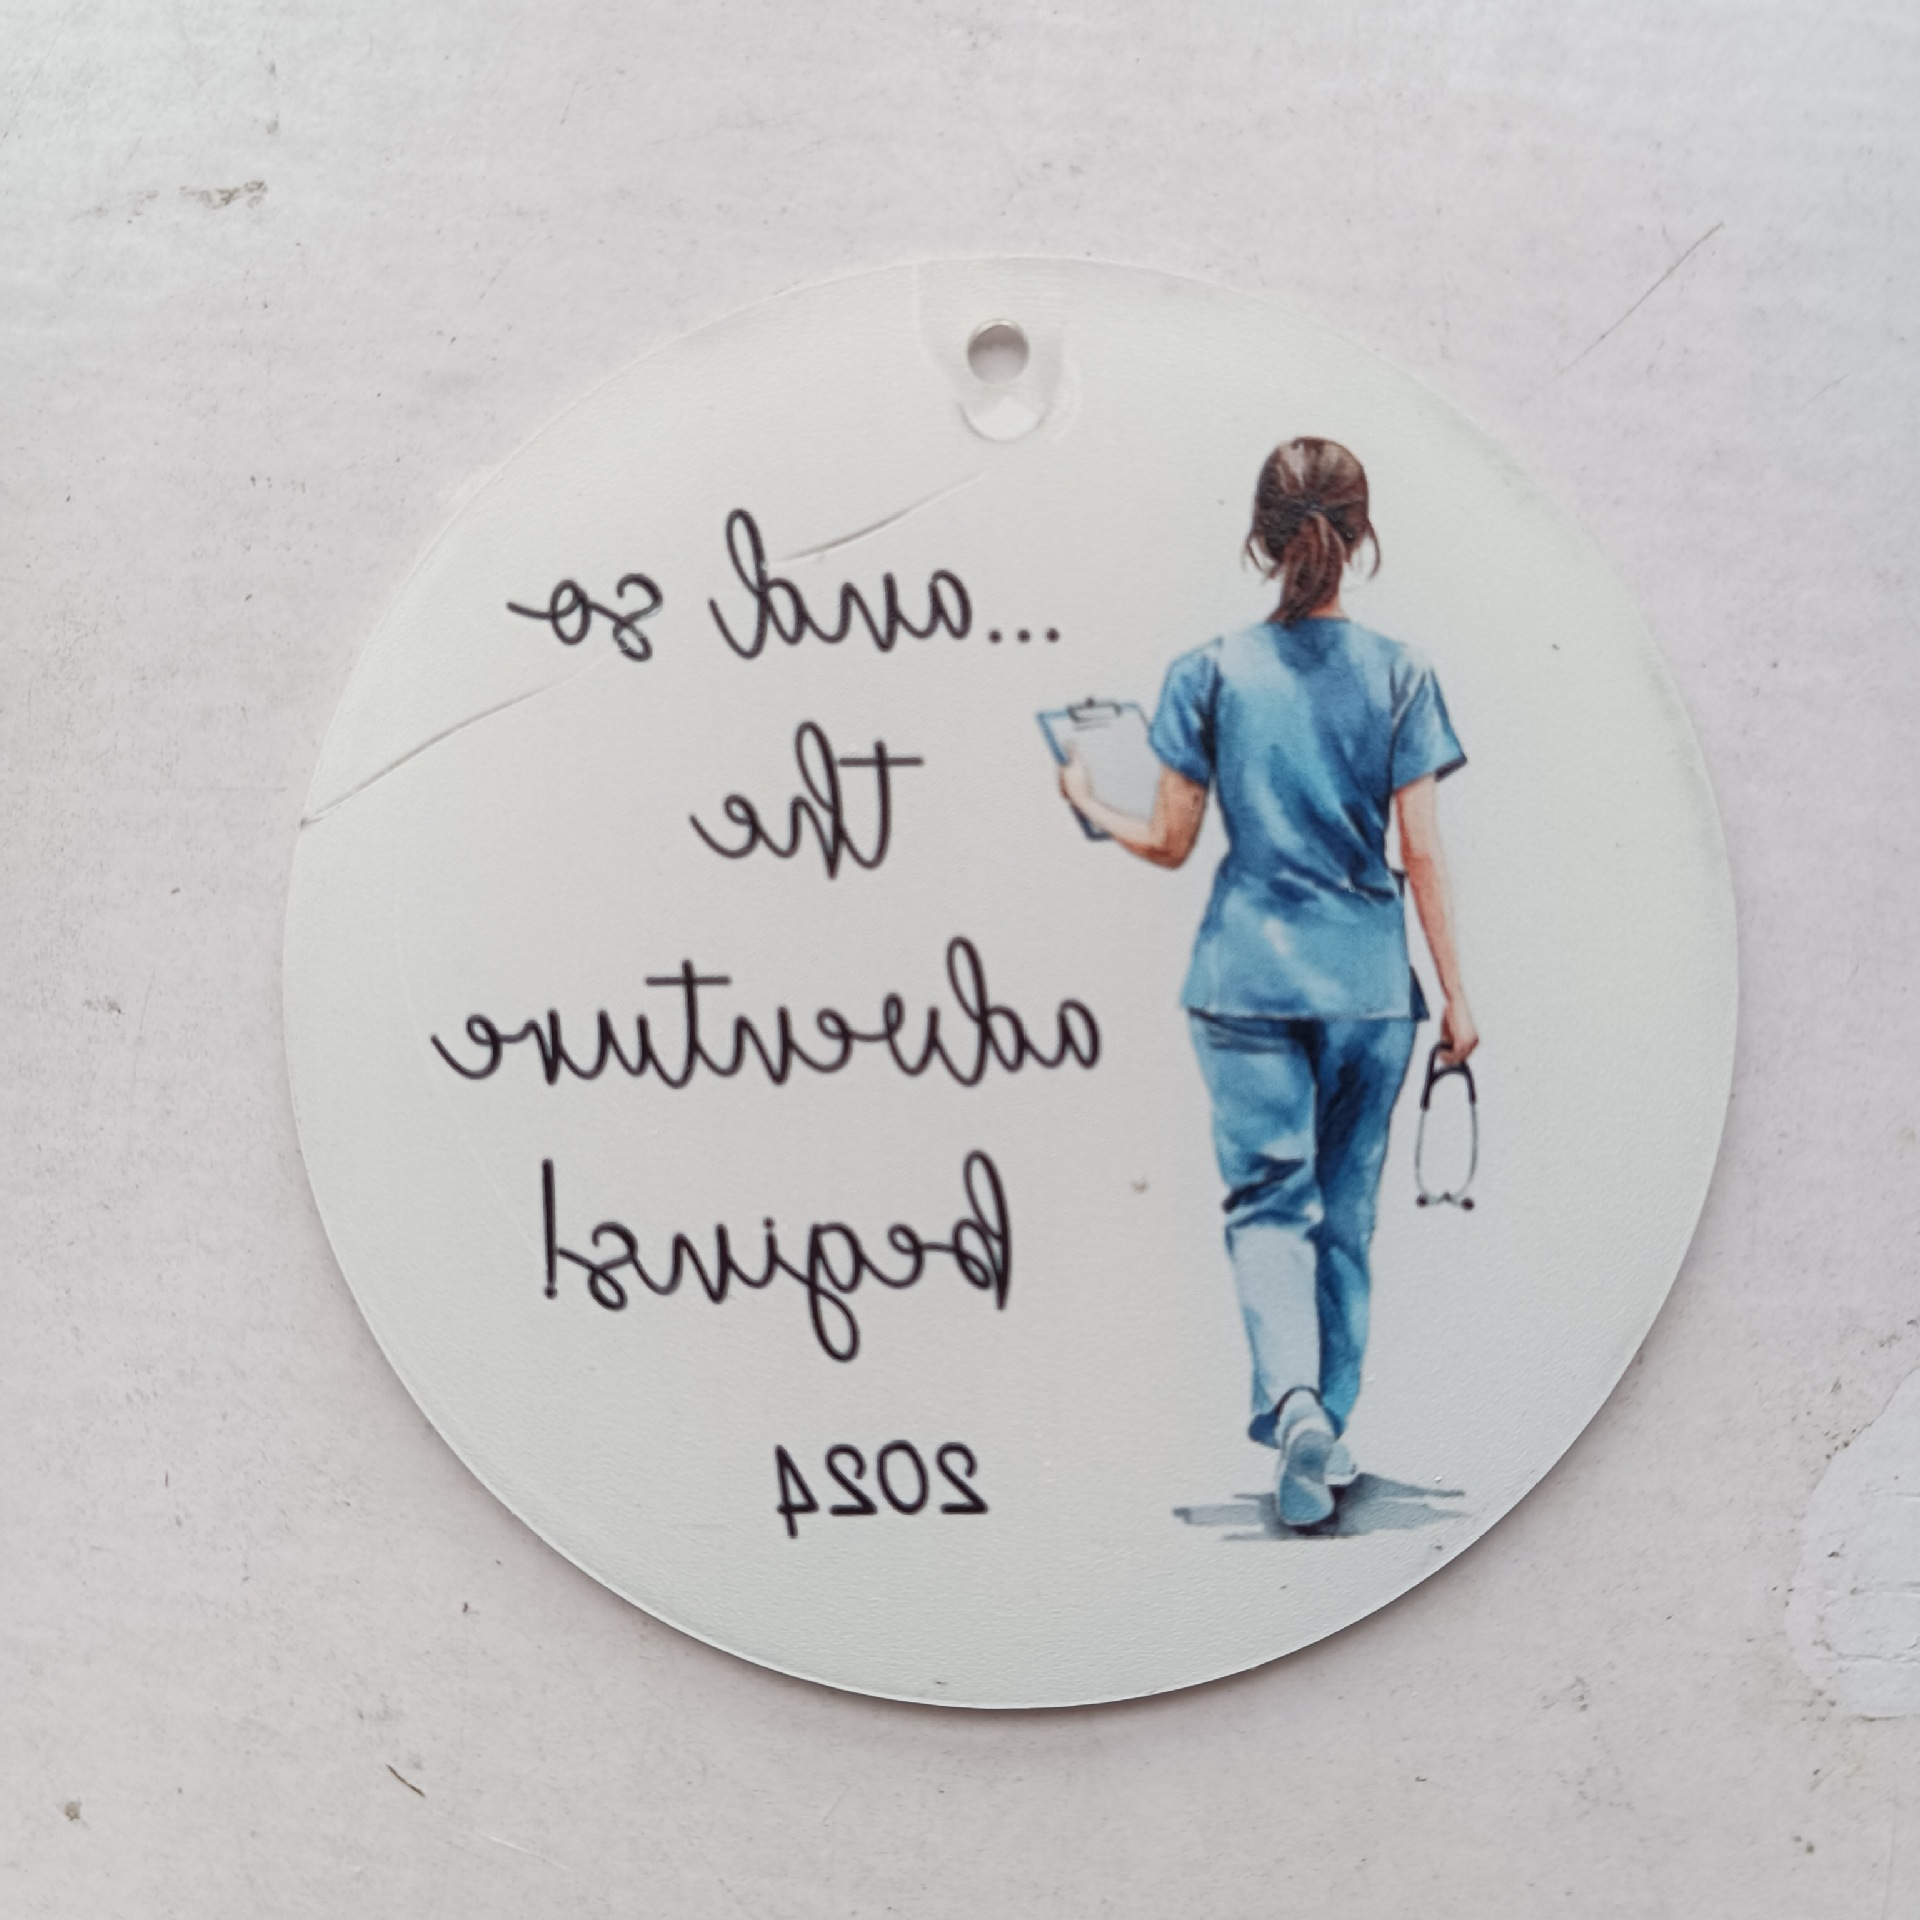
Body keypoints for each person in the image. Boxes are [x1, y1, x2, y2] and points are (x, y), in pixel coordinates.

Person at [1058, 437, 1476, 1529]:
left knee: (1268, 1205)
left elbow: (1167, 842)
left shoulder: (1206, 672)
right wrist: (1459, 997)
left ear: (1260, 537)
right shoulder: (1402, 673)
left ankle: (1295, 1408)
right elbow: (1421, 850)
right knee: (1346, 1215)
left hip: (1243, 982)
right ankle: (1324, 1416)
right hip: (1370, 988)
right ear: (1362, 534)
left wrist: (1088, 801)